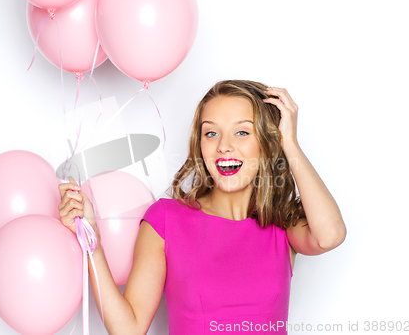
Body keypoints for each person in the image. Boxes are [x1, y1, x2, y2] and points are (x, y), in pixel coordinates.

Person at [58, 80, 346, 334]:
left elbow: (330, 235)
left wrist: (290, 144)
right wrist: (91, 242)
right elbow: (128, 329)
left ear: (267, 143)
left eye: (242, 133)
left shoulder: (282, 223)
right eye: (211, 133)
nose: (224, 146)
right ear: (200, 144)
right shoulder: (166, 220)